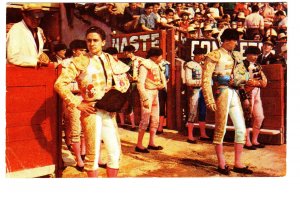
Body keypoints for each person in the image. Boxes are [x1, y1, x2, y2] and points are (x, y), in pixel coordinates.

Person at [55, 26, 130, 178]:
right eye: (88, 41)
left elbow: (125, 81)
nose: (91, 43)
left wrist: (115, 96)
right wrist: (77, 103)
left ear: (103, 42)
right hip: (91, 111)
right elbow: (59, 84)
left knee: (115, 151)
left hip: (108, 110)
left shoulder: (110, 59)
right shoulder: (80, 61)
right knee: (92, 154)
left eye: (95, 40)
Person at [202, 28, 253, 175]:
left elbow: (242, 75)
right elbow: (206, 79)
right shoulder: (214, 55)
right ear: (227, 40)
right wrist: (209, 98)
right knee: (220, 129)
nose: (236, 43)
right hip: (221, 93)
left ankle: (238, 163)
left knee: (241, 128)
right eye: (234, 40)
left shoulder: (235, 56)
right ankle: (221, 163)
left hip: (233, 92)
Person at [61, 39, 87, 171]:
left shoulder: (86, 62)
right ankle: (79, 160)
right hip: (73, 97)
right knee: (76, 129)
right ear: (75, 50)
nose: (84, 52)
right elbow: (63, 84)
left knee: (84, 129)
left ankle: (83, 153)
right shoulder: (66, 63)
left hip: (85, 98)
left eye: (84, 50)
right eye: (81, 50)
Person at [135, 47, 167, 153]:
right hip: (147, 93)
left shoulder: (157, 65)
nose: (162, 58)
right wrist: (144, 98)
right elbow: (140, 83)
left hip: (155, 92)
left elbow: (162, 80)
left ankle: (151, 142)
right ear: (154, 56)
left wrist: (162, 85)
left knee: (155, 119)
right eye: (160, 56)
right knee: (145, 119)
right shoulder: (145, 64)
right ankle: (139, 144)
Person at [240, 46, 268, 150]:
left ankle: (254, 140)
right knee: (248, 117)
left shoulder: (258, 66)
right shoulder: (242, 65)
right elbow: (242, 82)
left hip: (257, 93)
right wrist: (244, 97)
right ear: (247, 54)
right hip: (247, 93)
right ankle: (247, 142)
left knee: (260, 117)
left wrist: (256, 82)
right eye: (253, 54)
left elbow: (264, 82)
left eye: (257, 55)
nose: (255, 57)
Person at [185, 48, 210, 144]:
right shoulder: (189, 65)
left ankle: (203, 134)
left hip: (204, 91)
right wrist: (201, 82)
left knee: (203, 112)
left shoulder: (204, 65)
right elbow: (188, 81)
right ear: (195, 55)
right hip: (195, 91)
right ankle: (190, 135)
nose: (202, 56)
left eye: (203, 54)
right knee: (192, 112)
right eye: (200, 54)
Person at [119, 45, 145, 130]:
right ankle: (132, 125)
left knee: (135, 103)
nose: (125, 54)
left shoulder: (139, 60)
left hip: (136, 83)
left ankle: (137, 124)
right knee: (129, 103)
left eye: (126, 52)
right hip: (129, 83)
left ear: (129, 52)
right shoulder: (127, 61)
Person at [157, 59, 170, 135]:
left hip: (161, 87)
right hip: (152, 87)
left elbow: (167, 77)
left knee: (161, 107)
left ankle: (160, 126)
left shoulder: (165, 64)